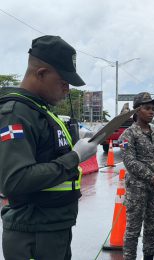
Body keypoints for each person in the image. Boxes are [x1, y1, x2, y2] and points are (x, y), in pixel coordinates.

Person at [0, 35, 100, 260]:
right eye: (63, 81)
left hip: (53, 227)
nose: (66, 89)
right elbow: (15, 180)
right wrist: (75, 157)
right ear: (41, 73)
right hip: (34, 233)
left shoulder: (41, 111)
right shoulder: (16, 113)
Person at [119, 92, 154, 260]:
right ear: (137, 110)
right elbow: (130, 162)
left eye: (153, 109)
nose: (151, 112)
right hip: (137, 189)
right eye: (147, 108)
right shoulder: (128, 135)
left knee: (152, 229)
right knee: (133, 230)